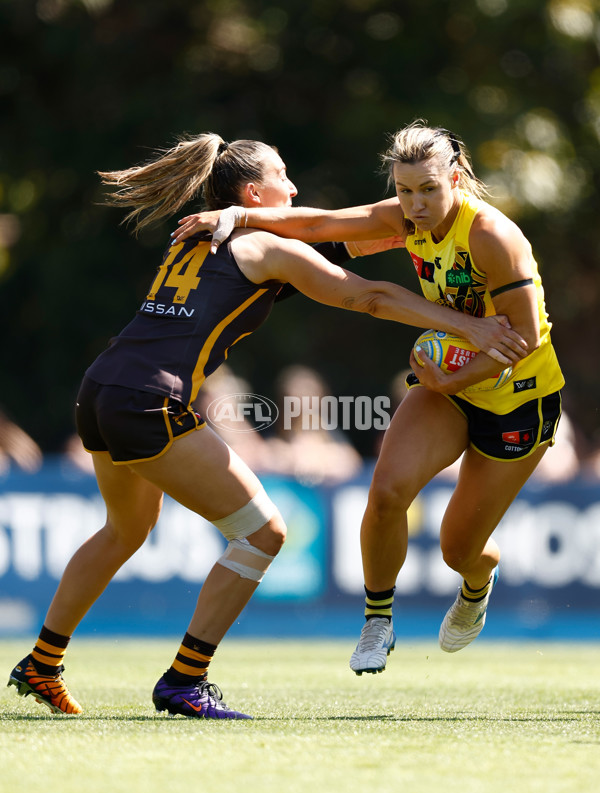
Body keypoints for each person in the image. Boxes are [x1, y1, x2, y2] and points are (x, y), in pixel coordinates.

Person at [7, 132, 527, 719]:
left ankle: (42, 662)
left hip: (99, 390)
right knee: (263, 534)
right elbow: (370, 297)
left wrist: (422, 224)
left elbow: (338, 234)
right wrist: (472, 329)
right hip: (149, 401)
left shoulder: (210, 236)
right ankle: (185, 679)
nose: (296, 187)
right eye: (284, 176)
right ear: (255, 192)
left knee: (124, 530)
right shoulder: (262, 246)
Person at [173, 120, 564, 674]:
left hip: (518, 398)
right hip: (448, 387)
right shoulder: (405, 218)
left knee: (459, 549)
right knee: (386, 494)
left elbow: (522, 339)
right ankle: (377, 622)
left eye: (429, 189)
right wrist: (238, 215)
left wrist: (449, 378)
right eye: (405, 191)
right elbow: (318, 223)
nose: (416, 204)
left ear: (455, 179)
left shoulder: (492, 236)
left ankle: (477, 586)